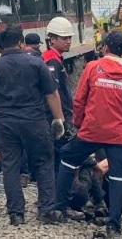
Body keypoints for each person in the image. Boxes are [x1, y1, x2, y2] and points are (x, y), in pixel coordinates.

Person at [0, 24, 66, 226]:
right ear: (20, 42)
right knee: (43, 162)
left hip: (5, 124)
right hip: (34, 121)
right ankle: (46, 210)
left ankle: (16, 213)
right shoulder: (36, 64)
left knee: (10, 166)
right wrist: (58, 119)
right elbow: (51, 93)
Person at [56, 30, 122, 238]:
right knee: (118, 175)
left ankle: (59, 208)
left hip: (91, 131)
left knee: (67, 159)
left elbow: (79, 100)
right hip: (119, 135)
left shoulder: (93, 67)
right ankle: (114, 223)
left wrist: (78, 124)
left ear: (105, 47)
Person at [41, 17, 75, 176]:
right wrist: (60, 119)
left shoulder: (53, 59)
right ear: (52, 39)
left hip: (55, 115)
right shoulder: (52, 61)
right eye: (64, 38)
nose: (68, 41)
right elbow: (52, 91)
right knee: (60, 156)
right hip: (56, 117)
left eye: (69, 38)